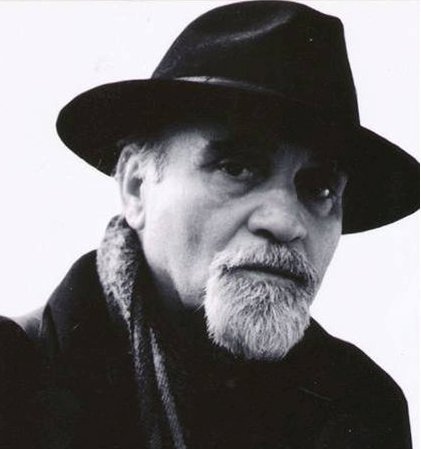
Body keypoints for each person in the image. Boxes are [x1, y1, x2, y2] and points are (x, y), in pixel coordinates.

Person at [0, 1, 418, 448]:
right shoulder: (16, 380)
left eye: (318, 188)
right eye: (236, 168)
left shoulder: (362, 409)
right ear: (137, 187)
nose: (284, 222)